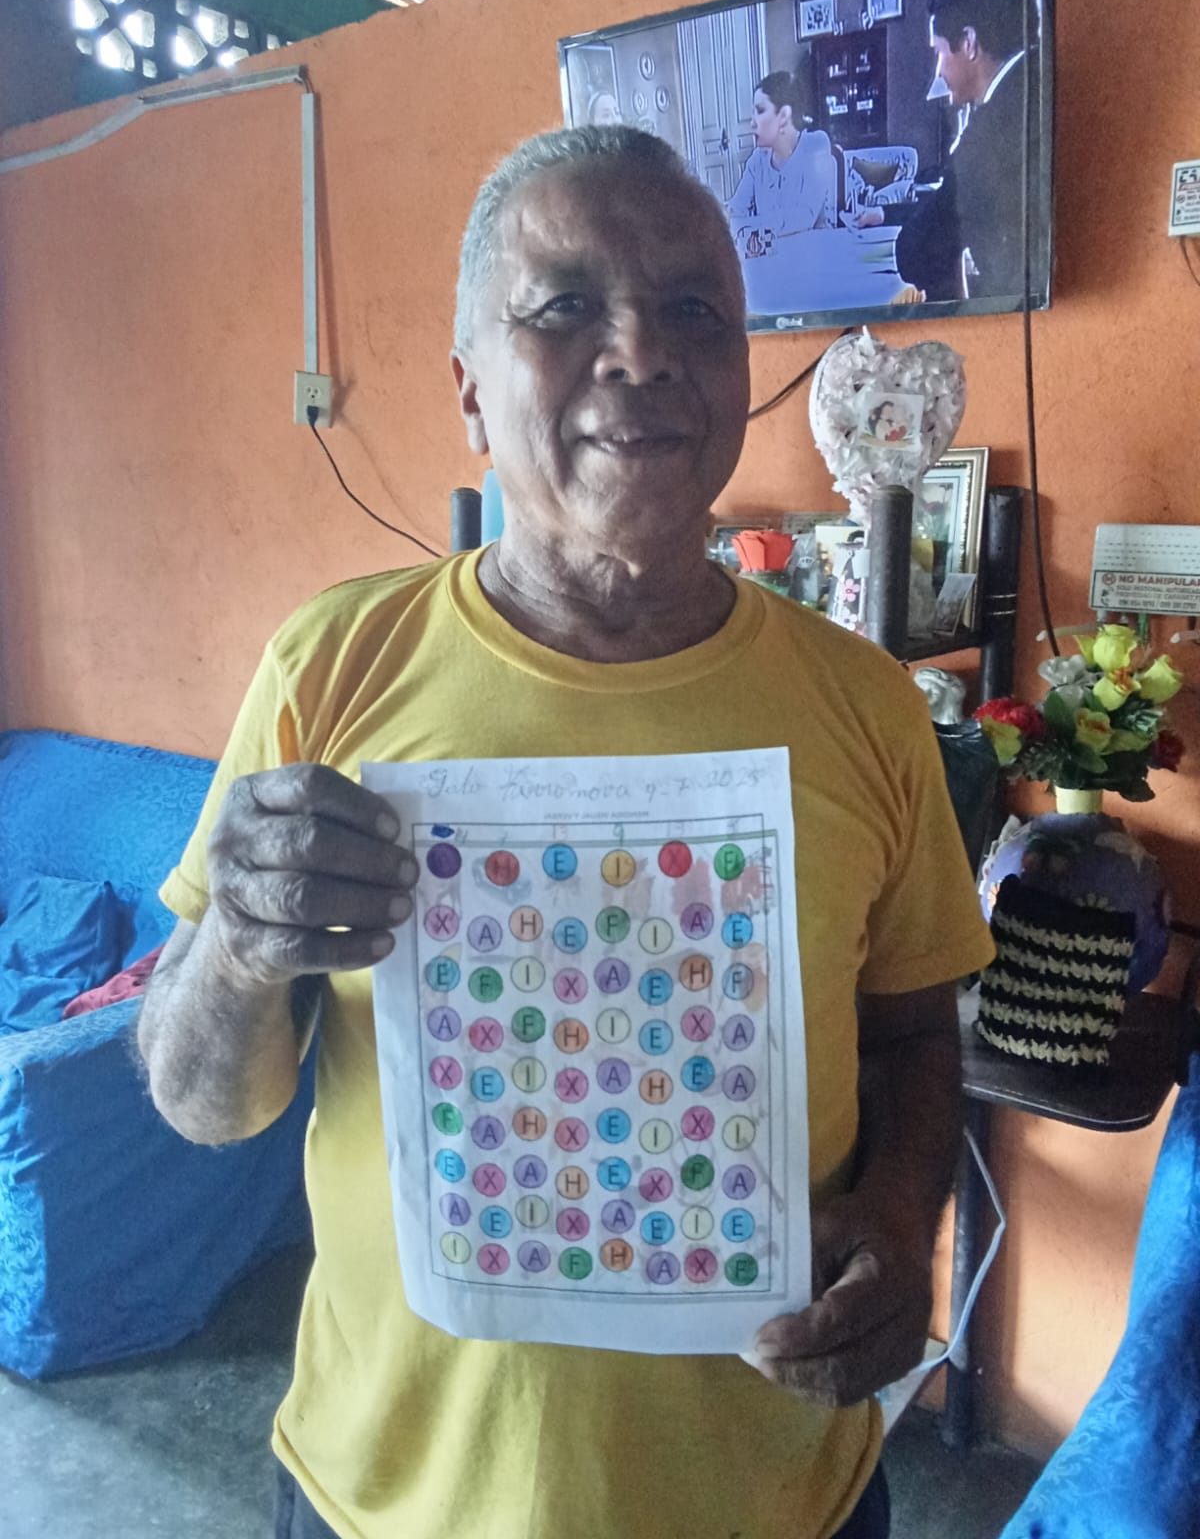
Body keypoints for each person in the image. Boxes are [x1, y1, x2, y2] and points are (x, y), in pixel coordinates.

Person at [137, 123, 994, 1539]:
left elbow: (911, 1038)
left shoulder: (864, 706)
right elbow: (199, 1103)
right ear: (471, 390)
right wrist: (236, 943)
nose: (642, 353)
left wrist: (906, 1219)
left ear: (740, 375)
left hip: (773, 1496)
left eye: (695, 310)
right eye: (565, 306)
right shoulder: (329, 669)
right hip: (390, 1497)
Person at [874, 0, 1041, 303]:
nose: (938, 71)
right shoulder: (1031, 85)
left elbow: (914, 251)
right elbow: (948, 204)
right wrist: (885, 213)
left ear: (968, 43)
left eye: (939, 52)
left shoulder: (990, 133)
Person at [727, 70, 837, 235]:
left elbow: (803, 218)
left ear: (784, 115)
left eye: (760, 111)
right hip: (773, 251)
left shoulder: (815, 145)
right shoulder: (758, 159)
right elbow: (736, 209)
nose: (752, 123)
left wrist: (748, 224)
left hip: (814, 249)